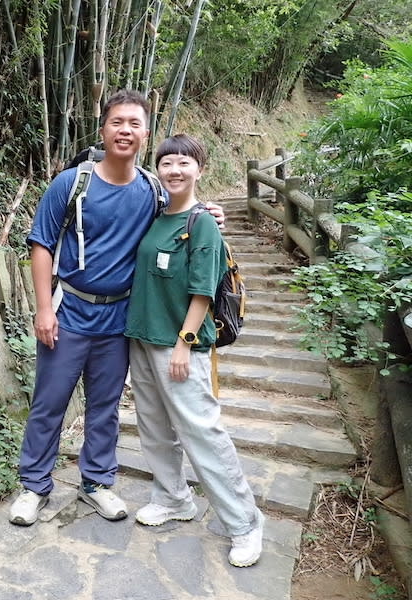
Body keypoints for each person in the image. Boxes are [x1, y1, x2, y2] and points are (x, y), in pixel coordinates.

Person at [8, 90, 223, 526]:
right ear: (103, 128)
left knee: (104, 406)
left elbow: (183, 216)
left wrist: (210, 214)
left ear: (146, 133)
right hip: (70, 311)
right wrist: (44, 308)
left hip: (119, 317)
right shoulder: (72, 183)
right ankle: (34, 486)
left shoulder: (152, 189)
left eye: (135, 124)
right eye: (117, 122)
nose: (125, 130)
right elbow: (41, 244)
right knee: (50, 402)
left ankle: (97, 482)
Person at [124, 133, 264, 567]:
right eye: (167, 163)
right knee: (153, 428)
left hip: (180, 345)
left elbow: (202, 290)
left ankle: (244, 522)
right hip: (142, 340)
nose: (176, 170)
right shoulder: (155, 215)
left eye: (185, 163)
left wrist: (185, 342)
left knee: (202, 433)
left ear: (199, 169)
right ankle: (173, 499)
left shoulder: (201, 221)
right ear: (158, 170)